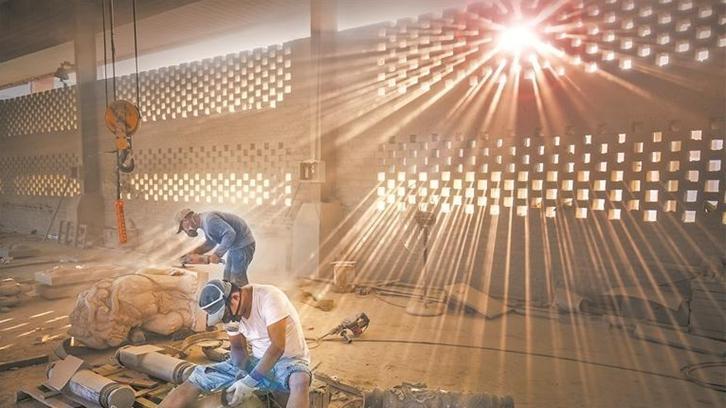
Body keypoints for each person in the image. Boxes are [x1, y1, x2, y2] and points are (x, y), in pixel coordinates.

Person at [159, 280, 311, 408]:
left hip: (289, 360)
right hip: (257, 360)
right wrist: (241, 369)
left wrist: (250, 381)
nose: (226, 320)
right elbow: (238, 348)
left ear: (235, 297)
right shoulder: (231, 315)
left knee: (300, 380)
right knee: (198, 377)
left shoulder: (269, 298)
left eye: (225, 314)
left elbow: (277, 346)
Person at [176, 208, 256, 286]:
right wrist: (194, 252)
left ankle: (246, 295)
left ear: (186, 220)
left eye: (183, 228)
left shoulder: (209, 221)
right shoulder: (204, 222)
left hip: (243, 245)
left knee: (237, 279)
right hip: (235, 247)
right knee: (227, 279)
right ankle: (231, 294)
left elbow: (230, 234)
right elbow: (210, 243)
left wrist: (217, 254)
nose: (185, 230)